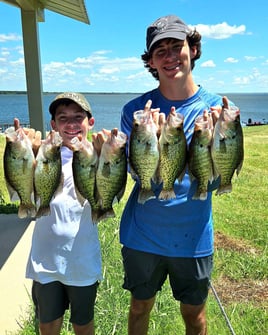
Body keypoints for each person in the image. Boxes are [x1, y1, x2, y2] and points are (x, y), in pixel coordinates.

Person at [119, 15, 230, 335]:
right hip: (143, 235)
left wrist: (218, 139)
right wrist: (146, 141)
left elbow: (217, 173)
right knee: (140, 307)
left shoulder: (217, 109)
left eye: (176, 47)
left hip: (193, 238)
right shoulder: (136, 111)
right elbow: (136, 173)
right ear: (151, 61)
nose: (170, 57)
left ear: (192, 49)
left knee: (195, 316)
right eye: (160, 51)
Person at [22, 92, 102, 335]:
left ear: (90, 122)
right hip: (45, 261)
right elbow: (24, 176)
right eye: (63, 118)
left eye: (78, 117)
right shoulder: (42, 155)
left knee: (83, 324)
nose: (71, 124)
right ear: (53, 125)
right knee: (47, 324)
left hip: (82, 261)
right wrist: (26, 147)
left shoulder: (98, 156)